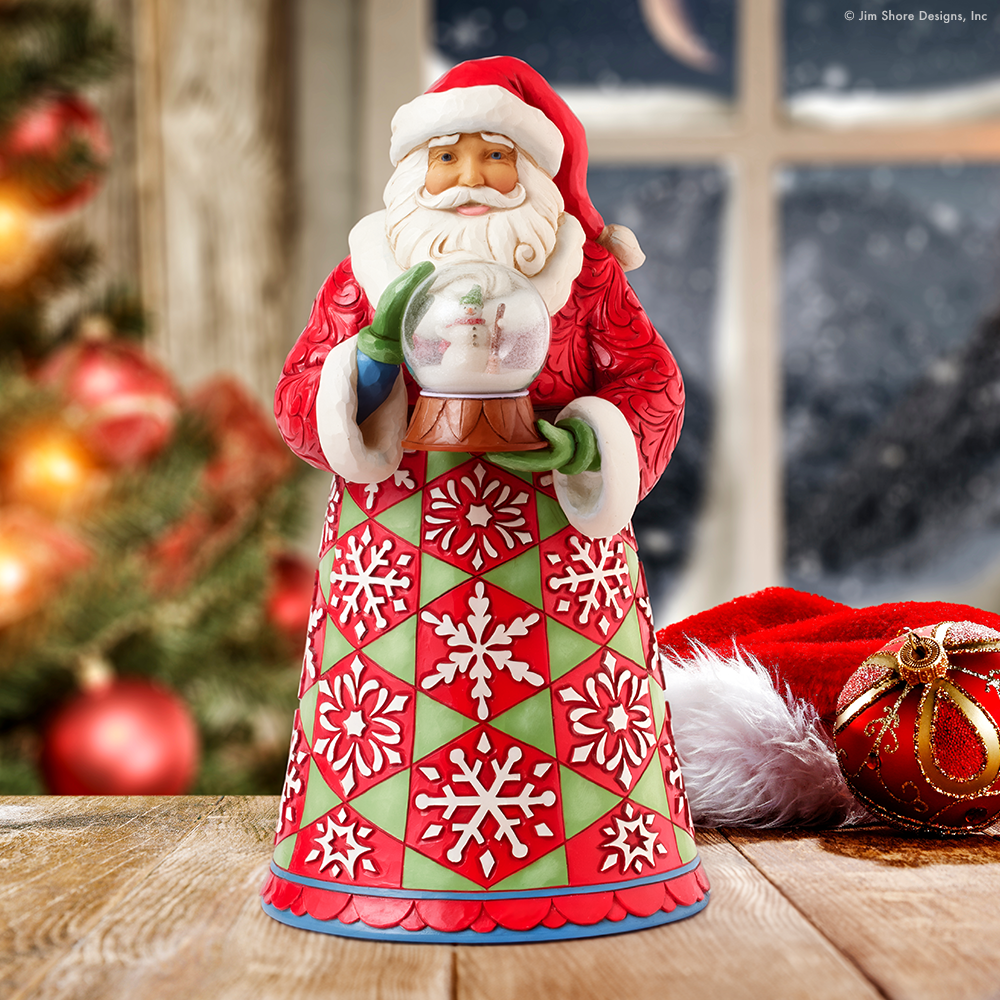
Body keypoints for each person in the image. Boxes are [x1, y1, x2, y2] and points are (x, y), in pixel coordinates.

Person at [264, 56, 707, 943]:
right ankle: (361, 857)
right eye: (447, 159)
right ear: (413, 177)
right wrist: (371, 362)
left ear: (535, 174)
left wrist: (590, 440)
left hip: (559, 567)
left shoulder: (587, 280)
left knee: (576, 731)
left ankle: (608, 857)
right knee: (383, 728)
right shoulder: (369, 273)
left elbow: (649, 381)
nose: (469, 179)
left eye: (495, 157)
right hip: (393, 568)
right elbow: (300, 393)